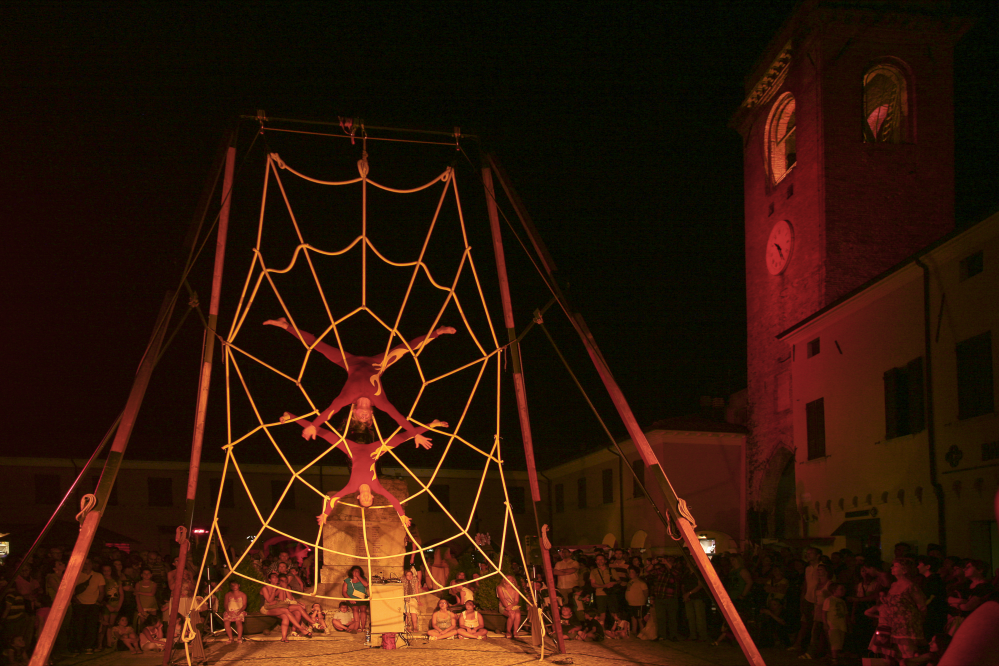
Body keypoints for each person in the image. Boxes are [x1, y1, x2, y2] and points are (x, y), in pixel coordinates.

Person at [264, 317, 456, 443]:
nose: (363, 418)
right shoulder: (381, 402)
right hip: (378, 364)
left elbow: (329, 412)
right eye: (367, 420)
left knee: (318, 346)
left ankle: (286, 325)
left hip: (349, 362)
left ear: (354, 413)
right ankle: (438, 332)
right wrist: (416, 435)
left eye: (359, 419)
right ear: (371, 415)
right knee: (405, 349)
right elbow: (400, 419)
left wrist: (314, 426)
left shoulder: (347, 398)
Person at [287, 412, 448, 528]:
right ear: (371, 496)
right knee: (403, 437)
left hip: (351, 450)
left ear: (358, 497)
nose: (365, 497)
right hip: (374, 450)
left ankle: (292, 417)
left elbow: (334, 498)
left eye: (363, 500)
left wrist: (325, 514)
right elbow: (393, 500)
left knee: (324, 434)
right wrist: (403, 515)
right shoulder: (376, 487)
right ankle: (432, 424)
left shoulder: (352, 487)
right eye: (369, 500)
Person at [69, 557, 106, 654]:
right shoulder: (76, 575)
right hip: (79, 604)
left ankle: (88, 646)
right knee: (79, 626)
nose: (86, 565)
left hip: (93, 605)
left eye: (88, 563)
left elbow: (101, 591)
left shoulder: (98, 576)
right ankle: (78, 646)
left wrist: (98, 602)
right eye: (84, 563)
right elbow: (71, 591)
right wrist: (76, 601)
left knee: (91, 626)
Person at [261, 572, 312, 642]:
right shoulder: (265, 588)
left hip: (277, 607)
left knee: (287, 615)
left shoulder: (279, 587)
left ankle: (284, 637)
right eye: (273, 577)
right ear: (269, 580)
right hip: (266, 608)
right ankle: (301, 628)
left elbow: (282, 601)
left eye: (276, 577)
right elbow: (269, 601)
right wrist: (273, 591)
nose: (275, 578)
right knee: (286, 610)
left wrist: (283, 589)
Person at [824, 583, 849, 665]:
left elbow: (845, 614)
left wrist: (847, 622)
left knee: (840, 641)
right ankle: (834, 659)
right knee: (834, 642)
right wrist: (825, 624)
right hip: (833, 625)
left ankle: (835, 656)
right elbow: (824, 612)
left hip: (841, 624)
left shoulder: (842, 601)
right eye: (841, 589)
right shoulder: (829, 600)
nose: (844, 591)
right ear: (834, 591)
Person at [342, 566, 369, 631]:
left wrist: (359, 577)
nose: (356, 572)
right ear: (352, 572)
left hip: (362, 598)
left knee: (363, 609)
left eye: (358, 571)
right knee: (355, 609)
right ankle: (358, 626)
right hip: (352, 599)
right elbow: (344, 592)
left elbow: (366, 585)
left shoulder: (363, 578)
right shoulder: (347, 580)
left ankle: (363, 627)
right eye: (355, 571)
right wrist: (350, 599)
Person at [624, 566, 649, 635]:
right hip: (631, 603)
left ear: (637, 573)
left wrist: (645, 601)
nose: (630, 574)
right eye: (630, 572)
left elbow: (646, 593)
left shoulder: (641, 583)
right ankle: (634, 630)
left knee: (640, 618)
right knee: (633, 617)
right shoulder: (630, 581)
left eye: (632, 572)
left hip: (639, 603)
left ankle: (642, 631)